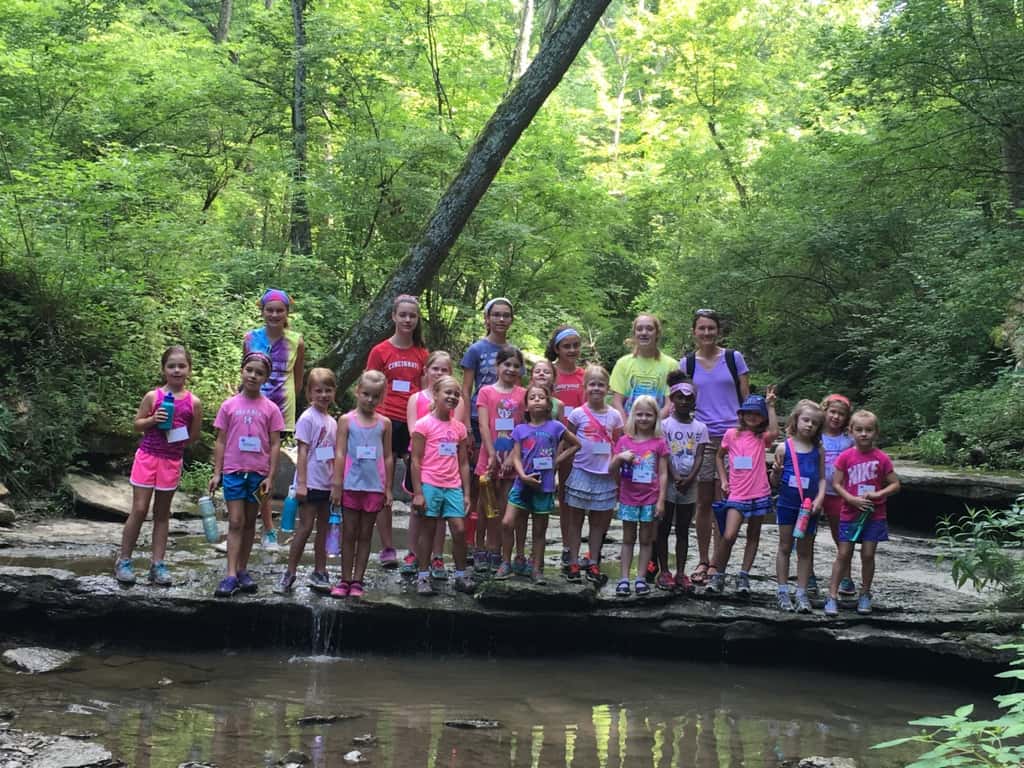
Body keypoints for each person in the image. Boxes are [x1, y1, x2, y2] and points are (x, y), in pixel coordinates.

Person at [116, 346, 203, 586]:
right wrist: (154, 420)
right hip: (147, 457)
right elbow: (137, 424)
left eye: (181, 366)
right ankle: (124, 560)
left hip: (171, 460)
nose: (176, 370)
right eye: (171, 366)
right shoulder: (153, 397)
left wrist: (176, 434)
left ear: (189, 369)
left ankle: (158, 564)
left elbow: (194, 436)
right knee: (140, 509)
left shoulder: (193, 402)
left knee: (162, 514)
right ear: (164, 369)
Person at [680, 309, 750, 587]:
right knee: (703, 502)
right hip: (701, 438)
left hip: (733, 438)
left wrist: (750, 434)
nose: (706, 333)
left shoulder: (734, 359)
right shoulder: (686, 364)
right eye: (701, 328)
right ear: (694, 332)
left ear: (718, 331)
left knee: (727, 501)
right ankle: (703, 559)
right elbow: (679, 401)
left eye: (711, 328)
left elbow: (746, 398)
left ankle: (719, 563)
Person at [209, 352, 284, 597]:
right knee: (235, 521)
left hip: (258, 474)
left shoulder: (271, 409)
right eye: (249, 370)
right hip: (233, 471)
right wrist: (216, 472)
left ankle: (243, 569)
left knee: (251, 522)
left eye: (259, 373)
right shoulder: (229, 406)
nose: (253, 375)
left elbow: (274, 444)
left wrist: (271, 476)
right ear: (242, 371)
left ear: (266, 378)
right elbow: (220, 440)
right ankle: (230, 573)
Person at [365, 294, 428, 568]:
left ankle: (417, 550)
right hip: (386, 420)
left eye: (412, 316)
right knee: (383, 485)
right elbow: (369, 387)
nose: (407, 320)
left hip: (414, 422)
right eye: (402, 315)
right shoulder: (380, 351)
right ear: (393, 316)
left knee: (419, 484)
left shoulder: (422, 353)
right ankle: (388, 547)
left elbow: (428, 391)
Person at [496, 384, 580, 583]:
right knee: (508, 522)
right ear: (526, 406)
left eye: (541, 397)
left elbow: (577, 444)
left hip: (544, 486)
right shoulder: (520, 429)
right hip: (522, 484)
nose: (536, 400)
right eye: (532, 397)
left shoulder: (556, 427)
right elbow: (515, 456)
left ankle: (536, 568)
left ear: (548, 404)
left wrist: (555, 462)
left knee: (539, 530)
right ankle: (506, 562)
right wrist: (522, 475)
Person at [242, 288, 305, 551]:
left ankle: (266, 528)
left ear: (287, 313)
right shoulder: (250, 337)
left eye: (280, 310)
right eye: (270, 309)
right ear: (262, 311)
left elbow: (299, 378)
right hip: (250, 408)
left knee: (266, 468)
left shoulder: (296, 341)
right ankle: (253, 523)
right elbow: (244, 370)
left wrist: (288, 405)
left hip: (278, 410)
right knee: (251, 466)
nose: (275, 314)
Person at [825, 410, 900, 617]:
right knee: (843, 553)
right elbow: (836, 483)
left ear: (876, 432)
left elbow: (895, 484)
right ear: (850, 432)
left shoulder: (881, 458)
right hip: (850, 512)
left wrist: (878, 494)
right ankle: (831, 595)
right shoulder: (845, 457)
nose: (864, 434)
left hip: (874, 515)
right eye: (859, 430)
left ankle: (865, 593)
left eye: (868, 430)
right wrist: (849, 498)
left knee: (868, 554)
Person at [705, 389, 778, 595]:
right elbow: (720, 456)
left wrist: (771, 406)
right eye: (748, 412)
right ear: (741, 414)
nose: (752, 416)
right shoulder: (732, 434)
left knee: (753, 535)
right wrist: (724, 479)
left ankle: (744, 575)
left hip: (759, 492)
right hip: (737, 493)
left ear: (762, 417)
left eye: (757, 413)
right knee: (728, 535)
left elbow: (774, 433)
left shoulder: (762, 437)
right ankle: (719, 573)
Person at [330, 371, 393, 598]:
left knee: (366, 534)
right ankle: (344, 578)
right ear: (357, 391)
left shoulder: (384, 424)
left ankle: (358, 580)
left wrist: (387, 488)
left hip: (373, 487)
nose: (369, 400)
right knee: (349, 532)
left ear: (382, 397)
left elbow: (387, 456)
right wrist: (337, 483)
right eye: (366, 394)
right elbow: (339, 452)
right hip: (350, 484)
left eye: (375, 396)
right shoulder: (346, 421)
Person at [461, 298, 514, 567]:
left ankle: (496, 544)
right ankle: (473, 543)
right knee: (481, 484)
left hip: (506, 427)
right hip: (478, 420)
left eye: (506, 315)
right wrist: (466, 427)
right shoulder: (476, 350)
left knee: (502, 484)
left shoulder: (513, 353)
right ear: (487, 318)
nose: (501, 320)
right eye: (496, 315)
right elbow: (465, 390)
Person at [410, 375, 473, 595]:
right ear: (435, 394)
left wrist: (467, 493)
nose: (453, 397)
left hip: (453, 485)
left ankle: (460, 575)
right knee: (428, 530)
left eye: (456, 394)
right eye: (448, 392)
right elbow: (415, 460)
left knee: (459, 529)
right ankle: (423, 576)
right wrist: (418, 492)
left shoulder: (459, 428)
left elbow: (464, 462)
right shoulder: (423, 424)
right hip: (430, 484)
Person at [276, 368, 337, 595]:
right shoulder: (307, 418)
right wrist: (301, 482)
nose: (323, 395)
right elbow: (302, 452)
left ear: (334, 393)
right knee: (305, 527)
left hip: (326, 484)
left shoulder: (332, 421)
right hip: (309, 482)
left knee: (324, 529)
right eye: (318, 391)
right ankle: (290, 571)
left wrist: (336, 484)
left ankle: (320, 570)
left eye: (327, 390)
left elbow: (333, 455)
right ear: (310, 393)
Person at [402, 351, 461, 579]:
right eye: (435, 368)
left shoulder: (456, 398)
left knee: (440, 515)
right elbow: (413, 429)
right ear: (426, 370)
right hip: (421, 462)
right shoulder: (416, 399)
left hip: (445, 467)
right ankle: (412, 553)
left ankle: (437, 556)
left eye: (444, 370)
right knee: (418, 511)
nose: (439, 373)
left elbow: (458, 427)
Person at [563, 365, 624, 583]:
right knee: (575, 520)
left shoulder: (616, 416)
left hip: (605, 474)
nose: (596, 388)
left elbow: (618, 443)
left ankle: (593, 561)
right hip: (581, 472)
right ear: (585, 387)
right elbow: (568, 442)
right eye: (592, 384)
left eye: (601, 385)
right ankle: (572, 560)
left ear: (608, 388)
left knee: (598, 523)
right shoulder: (578, 414)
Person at [610, 395, 669, 597]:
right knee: (628, 538)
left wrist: (661, 501)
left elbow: (663, 473)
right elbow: (611, 470)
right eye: (639, 414)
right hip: (628, 497)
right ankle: (624, 578)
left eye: (648, 415)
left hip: (650, 498)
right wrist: (619, 457)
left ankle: (641, 578)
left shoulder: (659, 443)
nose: (643, 418)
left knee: (646, 539)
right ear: (632, 416)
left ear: (656, 417)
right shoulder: (624, 441)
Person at [475, 345, 527, 570]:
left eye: (516, 366)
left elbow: (524, 427)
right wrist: (492, 453)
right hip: (490, 454)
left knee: (506, 506)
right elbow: (484, 424)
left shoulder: (523, 394)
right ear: (497, 366)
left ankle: (498, 550)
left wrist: (511, 457)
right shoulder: (486, 392)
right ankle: (480, 547)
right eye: (507, 364)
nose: (511, 369)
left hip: (512, 457)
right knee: (486, 504)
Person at [771, 400, 826, 613]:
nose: (809, 425)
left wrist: (820, 499)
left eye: (814, 422)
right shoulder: (784, 447)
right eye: (805, 420)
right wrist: (775, 471)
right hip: (787, 504)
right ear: (796, 420)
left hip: (809, 508)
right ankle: (782, 590)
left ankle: (801, 592)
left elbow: (822, 479)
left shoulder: (818, 450)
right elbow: (774, 483)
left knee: (805, 550)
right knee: (785, 546)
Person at [657, 371, 708, 593]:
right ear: (673, 399)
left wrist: (689, 478)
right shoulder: (665, 425)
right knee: (664, 526)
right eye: (680, 397)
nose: (684, 401)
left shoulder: (700, 428)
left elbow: (700, 455)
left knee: (684, 529)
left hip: (690, 484)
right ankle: (664, 571)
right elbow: (663, 452)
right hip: (668, 482)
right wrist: (675, 476)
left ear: (694, 400)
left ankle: (680, 571)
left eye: (688, 398)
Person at [545, 325, 586, 569]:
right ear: (557, 348)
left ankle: (570, 546)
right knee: (555, 495)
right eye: (566, 346)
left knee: (570, 496)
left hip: (576, 442)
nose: (572, 350)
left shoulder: (584, 375)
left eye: (575, 345)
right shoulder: (550, 373)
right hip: (549, 441)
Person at [609, 313, 678, 420]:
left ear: (657, 333)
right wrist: (627, 427)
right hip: (628, 429)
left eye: (649, 329)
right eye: (639, 329)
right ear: (634, 333)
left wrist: (653, 426)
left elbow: (670, 404)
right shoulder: (622, 364)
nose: (644, 333)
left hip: (659, 430)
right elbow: (617, 402)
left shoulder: (671, 365)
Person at [820, 393, 855, 597]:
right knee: (807, 534)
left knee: (840, 535)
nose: (836, 417)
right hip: (816, 491)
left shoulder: (848, 439)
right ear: (824, 411)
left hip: (839, 492)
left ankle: (846, 575)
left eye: (841, 414)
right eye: (832, 412)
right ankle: (809, 577)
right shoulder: (815, 435)